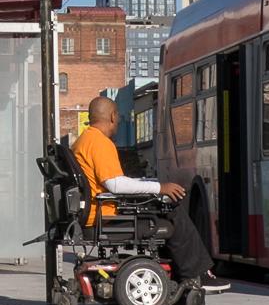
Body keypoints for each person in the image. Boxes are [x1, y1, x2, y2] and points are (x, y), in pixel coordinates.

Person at [72, 96, 230, 293]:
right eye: (119, 119)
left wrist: (153, 184)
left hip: (96, 215)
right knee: (173, 212)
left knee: (165, 208)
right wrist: (159, 189)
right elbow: (115, 184)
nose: (118, 123)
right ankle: (196, 275)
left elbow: (109, 181)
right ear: (113, 116)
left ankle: (183, 275)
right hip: (106, 217)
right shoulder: (100, 143)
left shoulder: (84, 140)